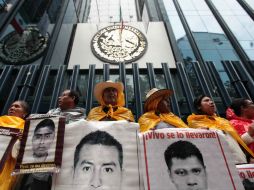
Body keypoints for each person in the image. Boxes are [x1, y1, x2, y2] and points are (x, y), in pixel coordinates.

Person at [187, 95, 254, 164]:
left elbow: (238, 142)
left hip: (240, 160)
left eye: (211, 100)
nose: (211, 102)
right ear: (199, 106)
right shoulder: (195, 122)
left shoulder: (224, 121)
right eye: (206, 101)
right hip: (222, 163)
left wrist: (248, 157)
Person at [0, 100, 30, 190]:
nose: (12, 108)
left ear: (24, 113)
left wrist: (21, 140)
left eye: (17, 106)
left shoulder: (27, 127)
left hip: (7, 165)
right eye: (11, 106)